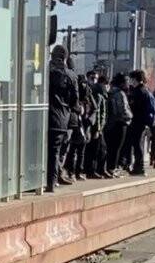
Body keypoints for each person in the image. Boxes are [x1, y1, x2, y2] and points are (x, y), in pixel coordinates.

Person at [47, 45, 77, 190]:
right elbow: (75, 101)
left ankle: (40, 182)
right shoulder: (72, 75)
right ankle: (51, 183)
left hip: (44, 116)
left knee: (42, 150)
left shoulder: (48, 72)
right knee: (55, 152)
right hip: (62, 119)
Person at [126, 70, 155, 175]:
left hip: (137, 122)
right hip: (143, 123)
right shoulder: (145, 91)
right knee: (139, 145)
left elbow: (135, 108)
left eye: (132, 79)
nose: (130, 81)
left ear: (136, 79)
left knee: (137, 145)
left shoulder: (139, 92)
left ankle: (139, 168)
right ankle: (138, 167)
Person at [84, 68, 110, 179]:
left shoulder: (99, 92)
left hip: (98, 126)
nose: (94, 80)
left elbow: (100, 112)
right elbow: (94, 111)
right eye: (92, 78)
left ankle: (98, 169)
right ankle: (91, 170)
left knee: (100, 149)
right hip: (91, 125)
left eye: (96, 78)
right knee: (92, 150)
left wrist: (99, 128)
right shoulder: (87, 91)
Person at [104, 72, 131, 176]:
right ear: (122, 83)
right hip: (120, 123)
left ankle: (109, 167)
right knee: (117, 147)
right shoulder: (120, 94)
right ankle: (112, 168)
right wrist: (130, 117)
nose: (128, 84)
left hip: (110, 123)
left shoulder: (109, 92)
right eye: (127, 81)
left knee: (110, 146)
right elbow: (123, 110)